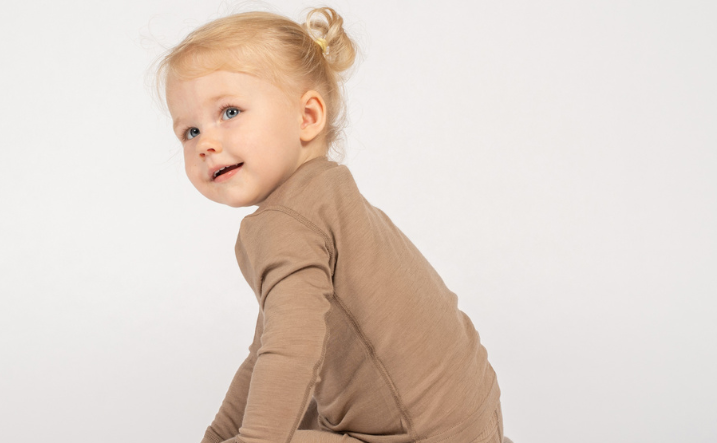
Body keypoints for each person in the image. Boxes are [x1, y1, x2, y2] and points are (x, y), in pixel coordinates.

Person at [157, 7, 507, 443]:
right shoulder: (325, 193)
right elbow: (266, 352)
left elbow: (291, 354)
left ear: (307, 118)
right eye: (189, 132)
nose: (206, 143)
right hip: (473, 426)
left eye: (229, 112)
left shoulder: (285, 223)